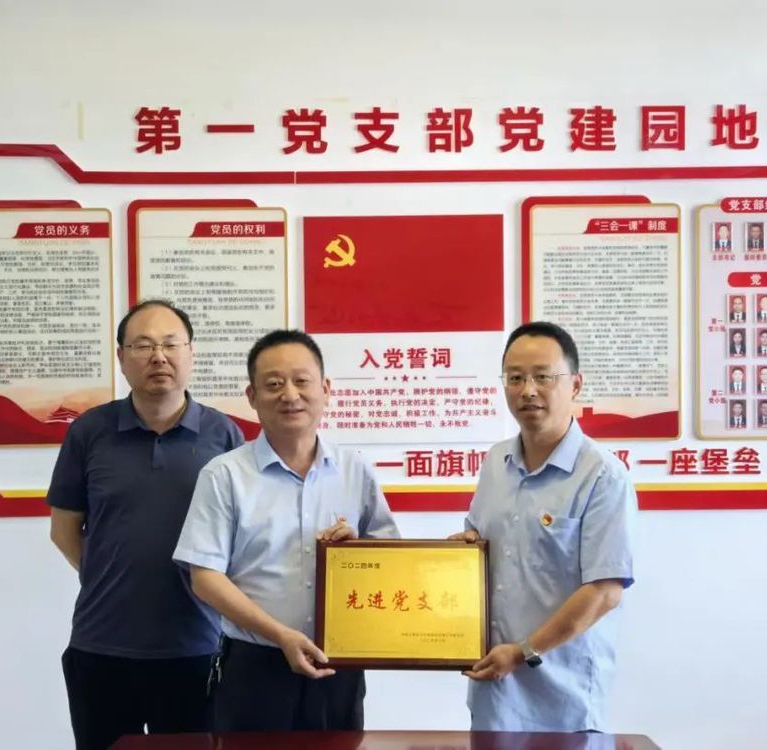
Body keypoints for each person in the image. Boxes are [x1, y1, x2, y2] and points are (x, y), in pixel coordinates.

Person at [174, 329, 400, 731]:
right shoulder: (224, 475)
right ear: (252, 397)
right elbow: (205, 578)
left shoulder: (355, 470)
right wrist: (281, 635)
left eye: (302, 381)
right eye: (274, 384)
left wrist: (359, 553)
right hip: (254, 666)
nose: (290, 395)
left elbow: (394, 562)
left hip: (339, 665)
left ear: (326, 390)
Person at [48, 300, 244, 750]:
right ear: (121, 357)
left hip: (197, 647)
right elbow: (63, 530)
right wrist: (109, 575)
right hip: (102, 646)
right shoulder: (89, 432)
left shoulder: (223, 435)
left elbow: (240, 537)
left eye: (171, 344)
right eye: (143, 345)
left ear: (191, 353)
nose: (159, 356)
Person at [449, 321, 634, 732]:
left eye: (543, 377)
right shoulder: (495, 463)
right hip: (494, 688)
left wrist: (523, 652)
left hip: (564, 696)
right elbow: (479, 545)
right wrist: (464, 551)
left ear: (575, 385)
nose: (527, 390)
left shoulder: (603, 476)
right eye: (515, 378)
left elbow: (604, 591)